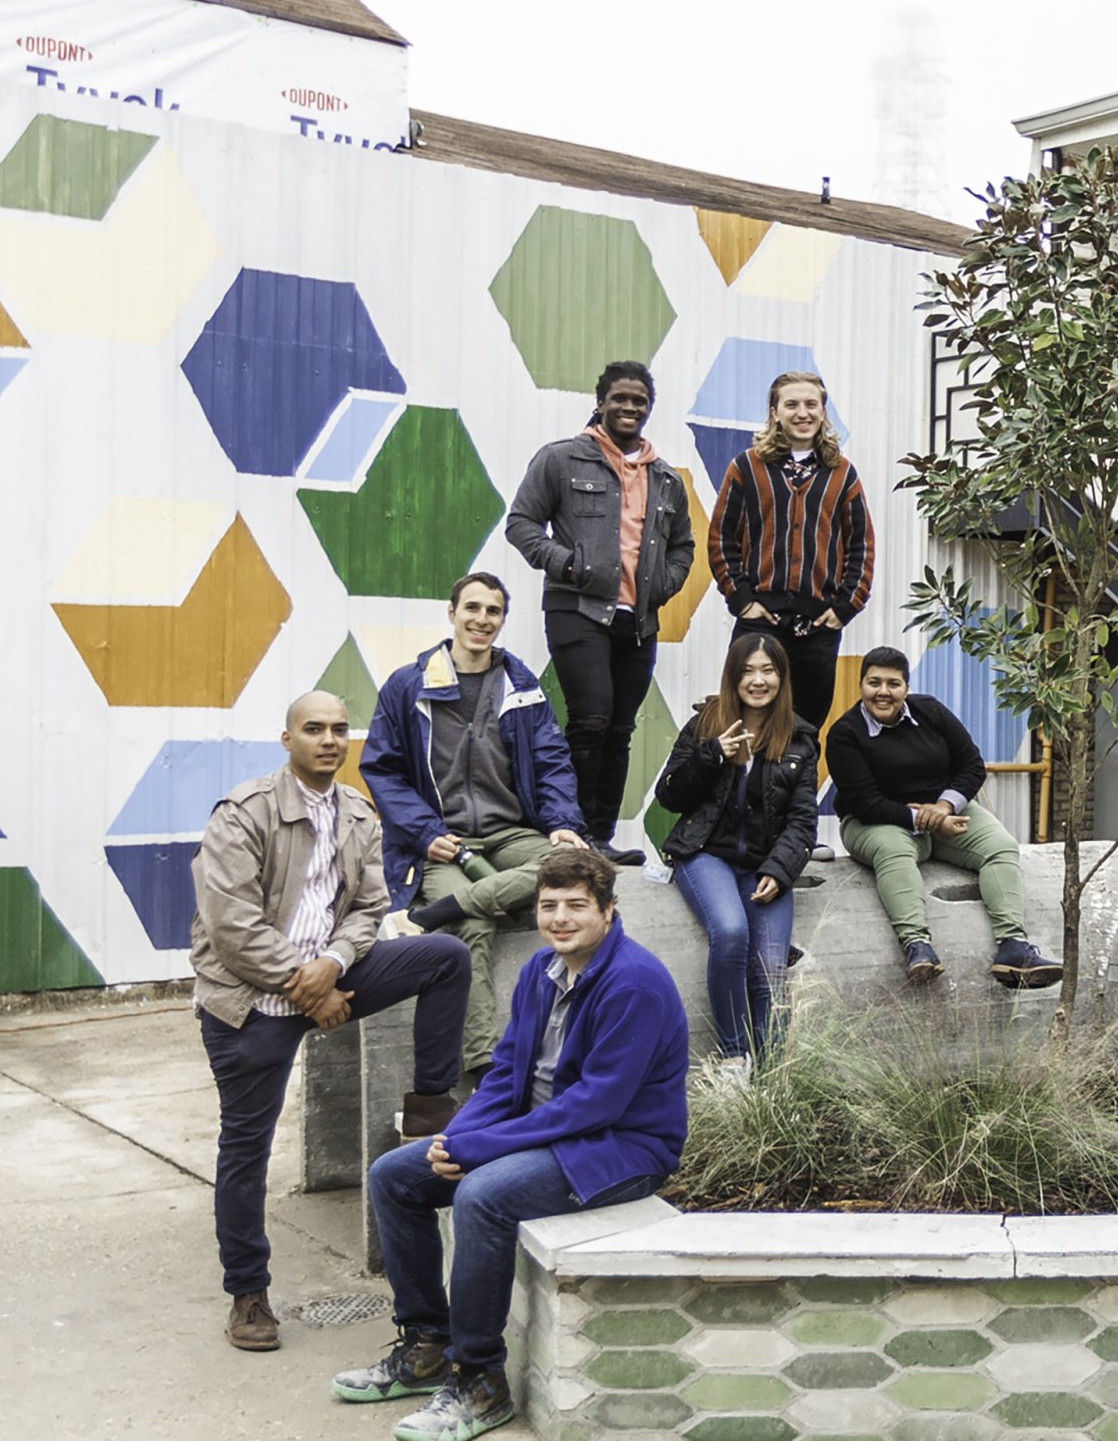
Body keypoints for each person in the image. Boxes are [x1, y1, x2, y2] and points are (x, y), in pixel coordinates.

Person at [335, 846, 688, 1441]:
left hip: (620, 1151)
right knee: (394, 1176)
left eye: (577, 905)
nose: (560, 919)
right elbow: (504, 1074)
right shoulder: (539, 972)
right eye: (549, 906)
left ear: (609, 910)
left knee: (483, 1196)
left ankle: (479, 1379)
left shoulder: (635, 983)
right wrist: (460, 1135)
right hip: (546, 1134)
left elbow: (593, 1106)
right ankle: (426, 1346)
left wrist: (484, 1151)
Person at [189, 691, 473, 1353]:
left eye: (339, 730)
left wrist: (338, 962)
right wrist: (307, 989)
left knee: (444, 958)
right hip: (249, 1001)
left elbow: (370, 906)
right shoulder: (244, 813)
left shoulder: (357, 813)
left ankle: (431, 1109)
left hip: (332, 973)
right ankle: (248, 1293)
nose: (327, 739)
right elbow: (231, 926)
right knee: (245, 1150)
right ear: (286, 740)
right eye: (312, 728)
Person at [360, 571, 589, 1083]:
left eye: (493, 612)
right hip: (441, 842)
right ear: (452, 613)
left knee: (574, 866)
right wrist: (423, 833)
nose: (482, 620)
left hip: (509, 832)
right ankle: (485, 1063)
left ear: (502, 620)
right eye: (473, 608)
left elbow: (552, 762)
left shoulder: (521, 686)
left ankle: (437, 910)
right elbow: (382, 768)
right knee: (475, 925)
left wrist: (561, 823)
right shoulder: (408, 685)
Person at [505, 360, 695, 863]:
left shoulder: (666, 480)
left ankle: (601, 837)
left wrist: (666, 586)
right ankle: (572, 832)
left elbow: (683, 547)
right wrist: (567, 566)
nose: (630, 407)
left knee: (620, 729)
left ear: (649, 408)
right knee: (590, 719)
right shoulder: (562, 459)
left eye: (640, 401)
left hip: (639, 621)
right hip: (578, 610)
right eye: (621, 398)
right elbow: (521, 523)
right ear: (601, 401)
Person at [827, 646, 1061, 989]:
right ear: (860, 686)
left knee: (1001, 846)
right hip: (875, 822)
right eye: (873, 682)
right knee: (894, 851)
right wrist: (929, 820)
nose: (883, 692)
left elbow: (971, 765)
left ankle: (1013, 947)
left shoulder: (931, 711)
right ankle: (917, 946)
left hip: (944, 810)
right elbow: (865, 802)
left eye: (893, 684)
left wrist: (946, 807)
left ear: (906, 687)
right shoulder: (844, 734)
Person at [656, 632, 821, 1066]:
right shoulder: (706, 724)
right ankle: (734, 1058)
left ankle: (771, 1077)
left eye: (768, 670)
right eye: (748, 671)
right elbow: (669, 796)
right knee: (730, 933)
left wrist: (781, 869)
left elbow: (803, 820)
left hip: (764, 865)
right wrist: (711, 755)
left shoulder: (801, 738)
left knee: (769, 970)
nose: (758, 680)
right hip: (705, 854)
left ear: (782, 678)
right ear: (733, 676)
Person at [707, 368, 874, 744]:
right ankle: (742, 802)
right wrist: (741, 599)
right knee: (744, 725)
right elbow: (720, 537)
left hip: (817, 627)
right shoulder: (747, 467)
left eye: (811, 404)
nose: (803, 413)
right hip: (758, 623)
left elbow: (861, 545)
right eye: (792, 404)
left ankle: (796, 805)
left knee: (805, 732)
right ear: (774, 412)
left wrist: (845, 607)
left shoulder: (842, 474)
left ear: (823, 412)